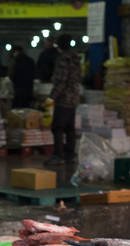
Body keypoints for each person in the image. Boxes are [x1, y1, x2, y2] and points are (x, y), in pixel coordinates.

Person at [46, 34, 81, 166]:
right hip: (74, 97)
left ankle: (57, 155)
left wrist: (52, 97)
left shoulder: (63, 59)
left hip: (63, 99)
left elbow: (61, 80)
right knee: (70, 128)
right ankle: (70, 155)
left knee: (57, 127)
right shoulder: (75, 57)